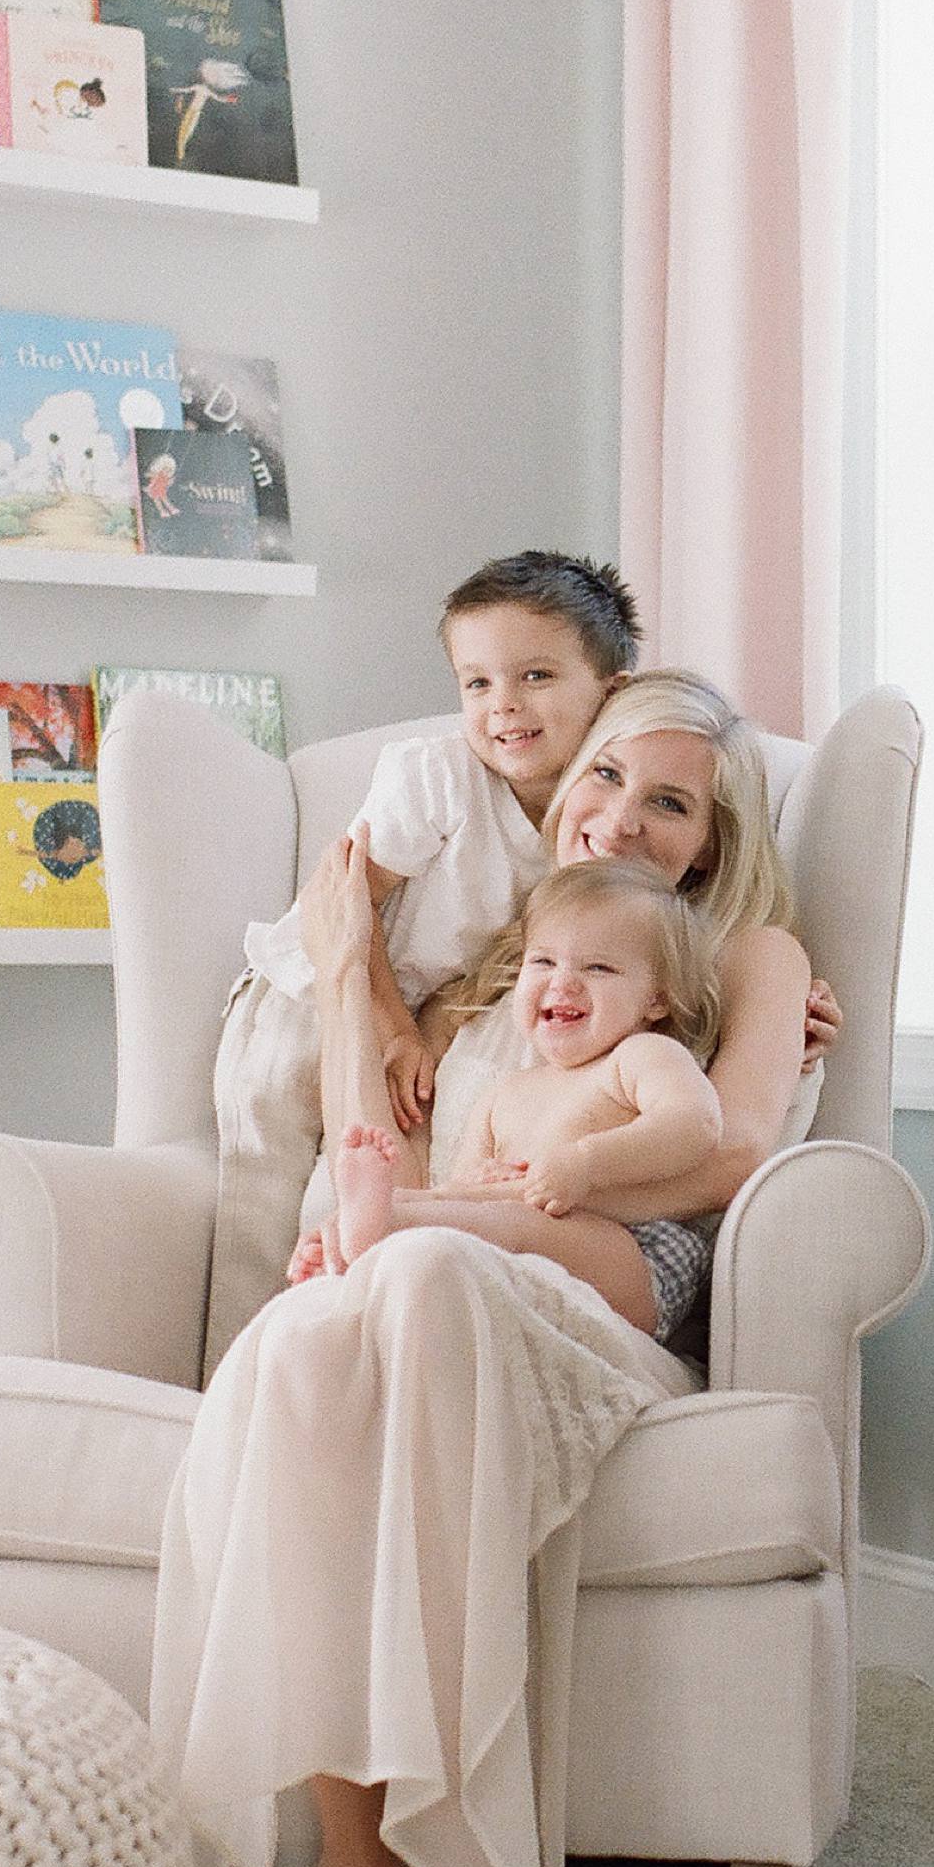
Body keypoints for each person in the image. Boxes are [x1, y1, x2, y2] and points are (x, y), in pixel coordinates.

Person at [153, 669, 846, 1867]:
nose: (625, 819)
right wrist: (353, 959)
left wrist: (446, 1216)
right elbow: (371, 1138)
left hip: (601, 1300)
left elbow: (734, 1150)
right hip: (443, 1282)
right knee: (319, 1333)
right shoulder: (511, 946)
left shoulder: (748, 953)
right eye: (605, 780)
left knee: (404, 1275)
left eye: (672, 803)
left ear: (713, 842)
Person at [203, 549, 642, 1369]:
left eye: (536, 676)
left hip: (422, 1010)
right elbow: (346, 904)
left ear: (610, 691)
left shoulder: (600, 817)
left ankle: (354, 1341)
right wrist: (394, 1027)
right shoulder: (437, 778)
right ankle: (233, 1361)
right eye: (476, 684)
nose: (503, 707)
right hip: (307, 989)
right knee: (266, 1175)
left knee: (370, 1178)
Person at [322, 861, 729, 1344]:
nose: (563, 983)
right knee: (460, 1223)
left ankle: (383, 1223)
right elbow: (461, 1192)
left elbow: (695, 1123)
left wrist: (587, 1162)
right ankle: (361, 1230)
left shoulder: (640, 1056)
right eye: (543, 962)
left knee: (518, 1222)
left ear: (656, 1001)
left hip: (634, 1251)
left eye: (598, 967)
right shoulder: (505, 1095)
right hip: (512, 1255)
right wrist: (470, 1185)